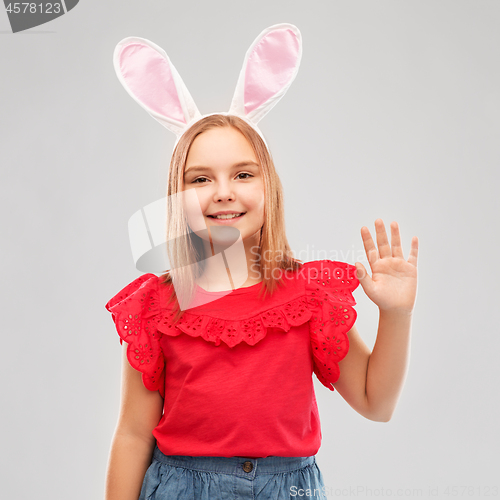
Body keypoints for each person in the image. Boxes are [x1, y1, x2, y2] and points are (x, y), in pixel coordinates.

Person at [104, 25, 418, 500]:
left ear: (269, 187)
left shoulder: (308, 297)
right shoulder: (156, 308)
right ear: (177, 197)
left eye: (243, 174)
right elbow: (132, 433)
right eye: (200, 179)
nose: (223, 191)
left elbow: (377, 403)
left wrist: (396, 315)